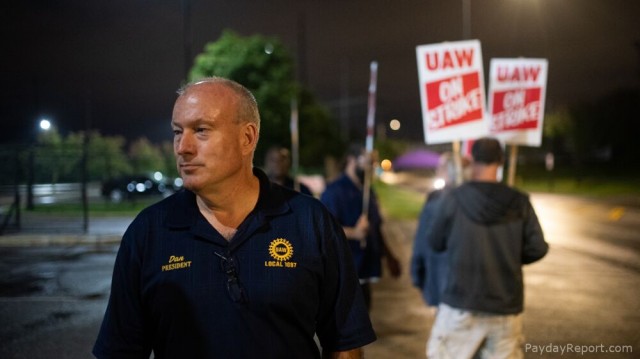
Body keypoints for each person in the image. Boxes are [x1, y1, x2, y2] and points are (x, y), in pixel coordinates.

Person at [93, 77, 376, 358]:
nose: (183, 147)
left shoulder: (310, 222)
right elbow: (120, 350)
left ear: (247, 138)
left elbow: (344, 342)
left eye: (201, 130)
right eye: (178, 132)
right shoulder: (148, 232)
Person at [425, 137, 548, 359]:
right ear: (501, 161)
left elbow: (434, 241)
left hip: (460, 304)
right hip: (504, 307)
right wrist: (511, 256)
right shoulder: (519, 200)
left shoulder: (454, 198)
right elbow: (538, 247)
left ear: (471, 160)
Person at [320, 144, 401, 311]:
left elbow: (376, 227)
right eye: (367, 162)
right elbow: (324, 229)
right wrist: (353, 232)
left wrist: (389, 256)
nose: (371, 167)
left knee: (364, 320)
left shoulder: (367, 191)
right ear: (351, 160)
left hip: (365, 270)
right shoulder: (334, 192)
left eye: (372, 163)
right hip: (344, 273)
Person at [410, 152, 458, 311]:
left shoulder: (435, 203)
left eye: (441, 168)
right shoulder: (476, 202)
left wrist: (417, 275)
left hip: (441, 285)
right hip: (470, 292)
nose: (438, 172)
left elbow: (422, 244)